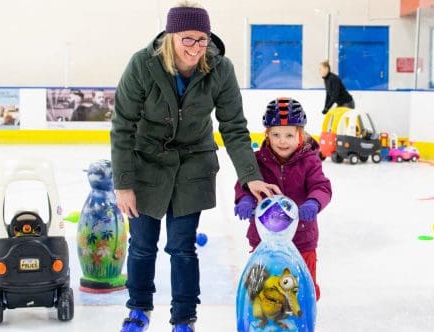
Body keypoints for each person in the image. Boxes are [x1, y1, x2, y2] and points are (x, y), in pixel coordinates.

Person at [110, 1, 280, 332]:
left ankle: (184, 317)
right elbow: (122, 127)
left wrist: (251, 177)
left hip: (194, 162)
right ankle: (139, 309)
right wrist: (124, 183)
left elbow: (233, 127)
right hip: (146, 162)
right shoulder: (142, 65)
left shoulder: (220, 68)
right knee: (142, 245)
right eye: (188, 39)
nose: (196, 47)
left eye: (202, 39)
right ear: (171, 37)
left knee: (182, 247)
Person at [233, 97, 332, 301]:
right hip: (264, 241)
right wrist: (245, 201)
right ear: (267, 135)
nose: (282, 141)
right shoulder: (258, 160)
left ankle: (304, 315)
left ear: (300, 135)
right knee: (263, 290)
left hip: (302, 239)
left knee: (303, 289)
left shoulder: (310, 161)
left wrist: (313, 202)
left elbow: (321, 186)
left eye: (289, 135)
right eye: (276, 134)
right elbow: (245, 184)